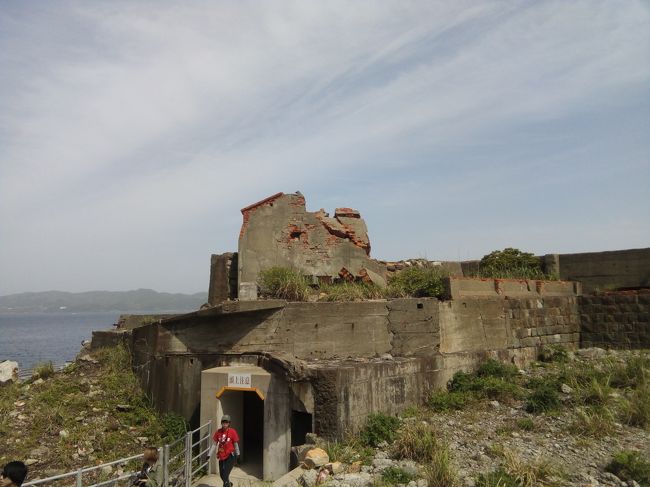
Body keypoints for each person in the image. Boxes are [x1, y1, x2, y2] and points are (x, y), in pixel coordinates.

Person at [211, 414, 240, 487]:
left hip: (230, 455)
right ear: (221, 422)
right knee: (222, 475)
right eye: (223, 422)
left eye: (226, 422)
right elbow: (214, 444)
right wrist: (209, 454)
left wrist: (238, 454)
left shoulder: (232, 431)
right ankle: (229, 484)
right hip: (221, 455)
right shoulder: (218, 432)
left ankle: (226, 485)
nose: (225, 424)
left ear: (229, 423)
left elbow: (235, 444)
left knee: (225, 474)